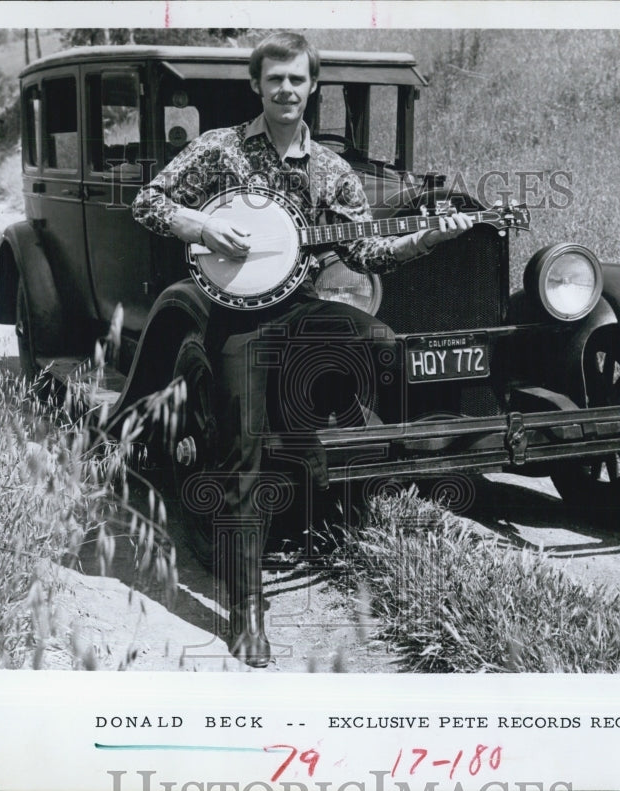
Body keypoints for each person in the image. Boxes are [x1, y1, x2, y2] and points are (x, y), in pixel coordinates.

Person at [132, 32, 472, 667]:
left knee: (381, 341)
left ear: (313, 87)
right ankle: (247, 611)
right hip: (236, 317)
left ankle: (354, 472)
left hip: (303, 307)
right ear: (257, 85)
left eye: (297, 80)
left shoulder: (331, 171)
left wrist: (427, 237)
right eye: (275, 79)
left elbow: (365, 253)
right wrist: (202, 225)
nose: (286, 90)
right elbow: (147, 202)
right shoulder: (220, 149)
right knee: (240, 452)